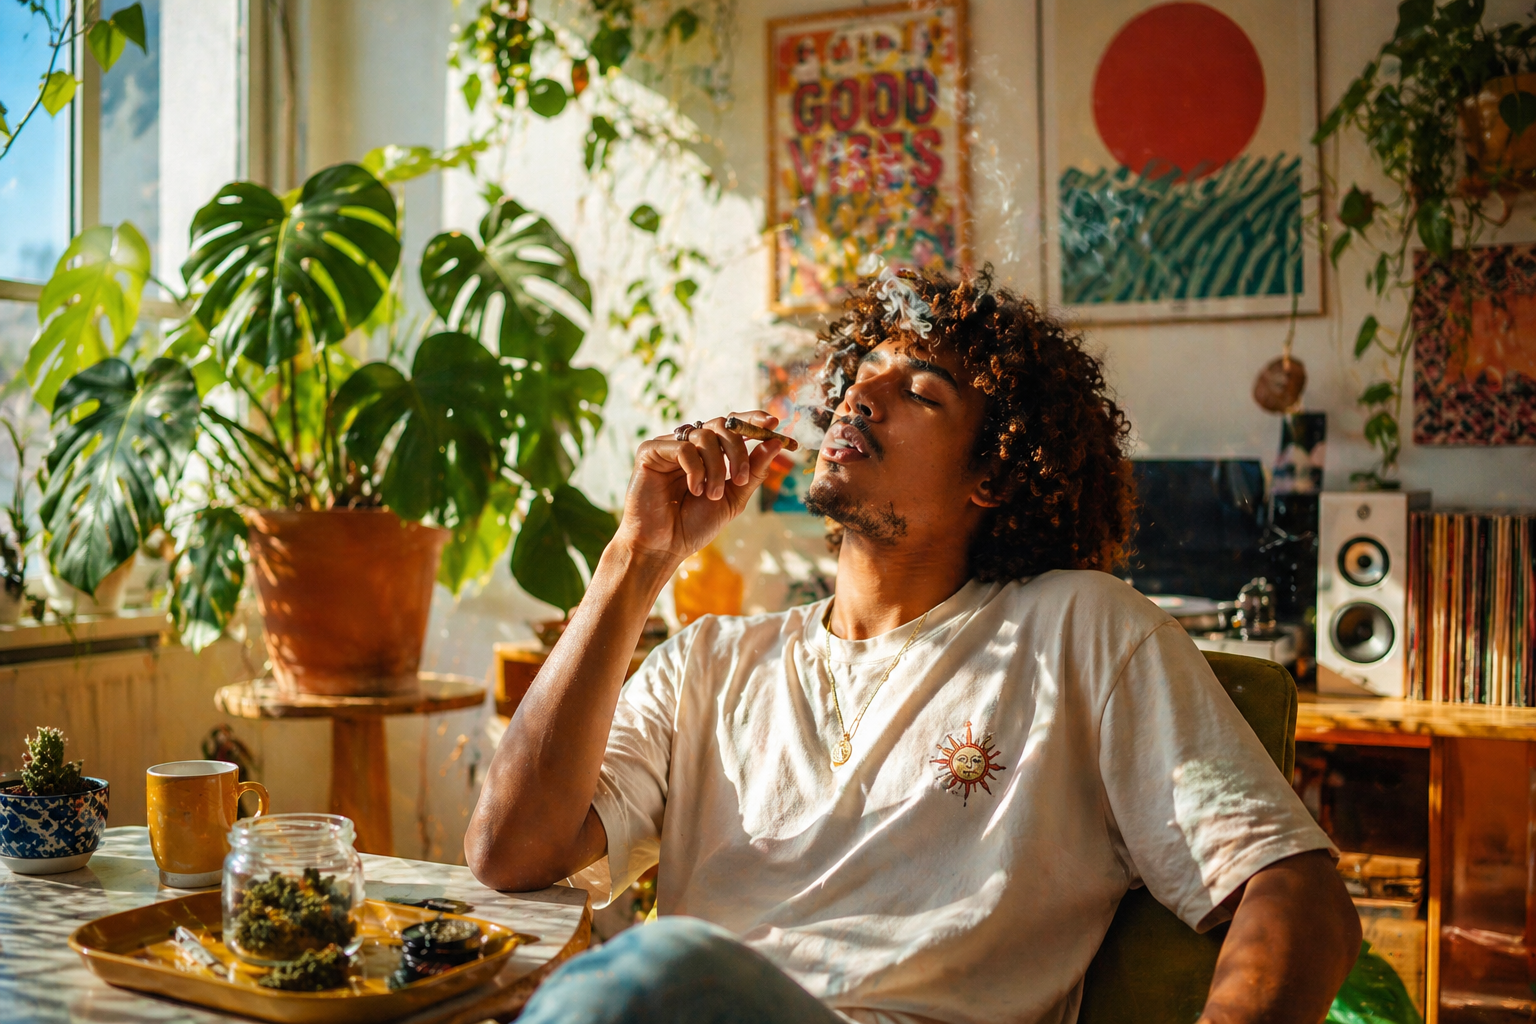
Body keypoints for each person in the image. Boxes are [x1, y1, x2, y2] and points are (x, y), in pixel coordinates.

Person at [467, 269, 1361, 1024]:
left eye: (919, 391)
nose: (860, 394)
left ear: (994, 474)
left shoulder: (1080, 629)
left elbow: (1296, 894)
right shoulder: (709, 664)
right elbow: (509, 851)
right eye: (862, 374)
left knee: (645, 980)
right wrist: (635, 557)